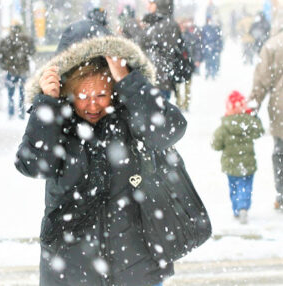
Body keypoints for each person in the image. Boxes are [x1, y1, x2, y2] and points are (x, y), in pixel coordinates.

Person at [16, 19, 187, 286]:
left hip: (136, 266)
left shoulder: (131, 112)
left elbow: (169, 130)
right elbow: (33, 164)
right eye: (82, 96)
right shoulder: (54, 120)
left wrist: (130, 81)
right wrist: (46, 106)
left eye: (101, 95)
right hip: (70, 269)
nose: (92, 105)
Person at [249, 6, 283, 211]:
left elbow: (261, 81)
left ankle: (281, 192)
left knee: (280, 152)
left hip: (280, 108)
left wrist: (253, 105)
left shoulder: (272, 45)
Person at [212, 91, 264, 224]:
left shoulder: (224, 126)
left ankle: (236, 208)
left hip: (230, 165)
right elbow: (259, 132)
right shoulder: (249, 122)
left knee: (234, 187)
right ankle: (243, 207)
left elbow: (216, 145)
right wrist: (255, 117)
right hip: (247, 164)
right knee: (246, 186)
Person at [140, 0, 184, 100]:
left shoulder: (165, 24)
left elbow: (145, 44)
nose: (148, 7)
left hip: (159, 77)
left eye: (151, 3)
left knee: (158, 111)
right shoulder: (159, 22)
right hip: (158, 76)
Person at [0, 24, 35, 119]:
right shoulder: (26, 40)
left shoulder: (6, 40)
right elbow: (32, 51)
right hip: (22, 70)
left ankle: (11, 113)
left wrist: (5, 66)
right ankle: (21, 113)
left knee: (11, 93)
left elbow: (0, 55)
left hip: (10, 70)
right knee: (22, 93)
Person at [177, 17, 202, 111]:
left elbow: (196, 48)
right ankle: (180, 103)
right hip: (178, 65)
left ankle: (186, 104)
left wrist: (196, 59)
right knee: (178, 87)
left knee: (187, 86)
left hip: (187, 64)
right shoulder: (175, 36)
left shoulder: (191, 36)